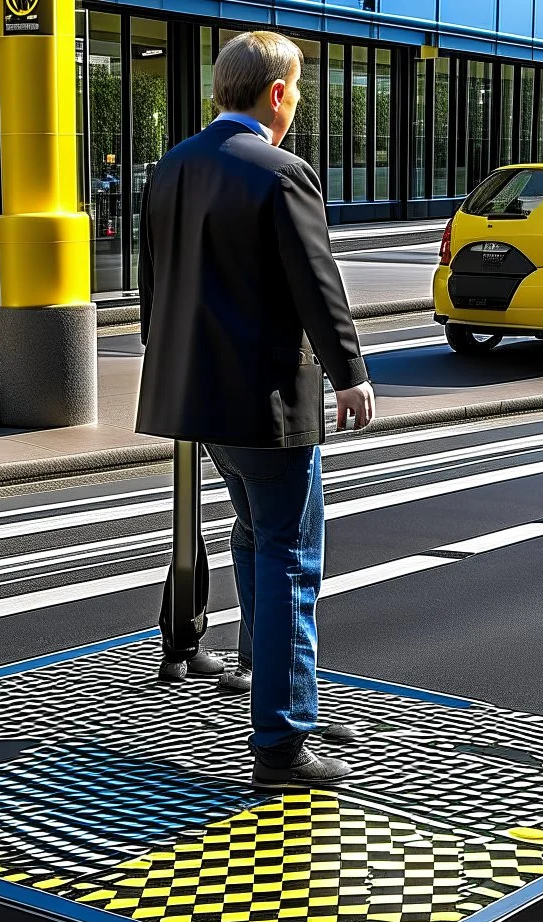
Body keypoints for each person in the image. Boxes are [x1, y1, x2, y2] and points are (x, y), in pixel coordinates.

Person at [136, 30, 374, 788]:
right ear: (277, 93)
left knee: (253, 536)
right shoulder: (282, 172)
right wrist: (351, 375)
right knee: (292, 559)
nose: (297, 103)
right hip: (268, 405)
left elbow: (154, 290)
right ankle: (281, 742)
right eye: (296, 90)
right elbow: (317, 283)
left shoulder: (171, 167)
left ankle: (259, 676)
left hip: (198, 400)